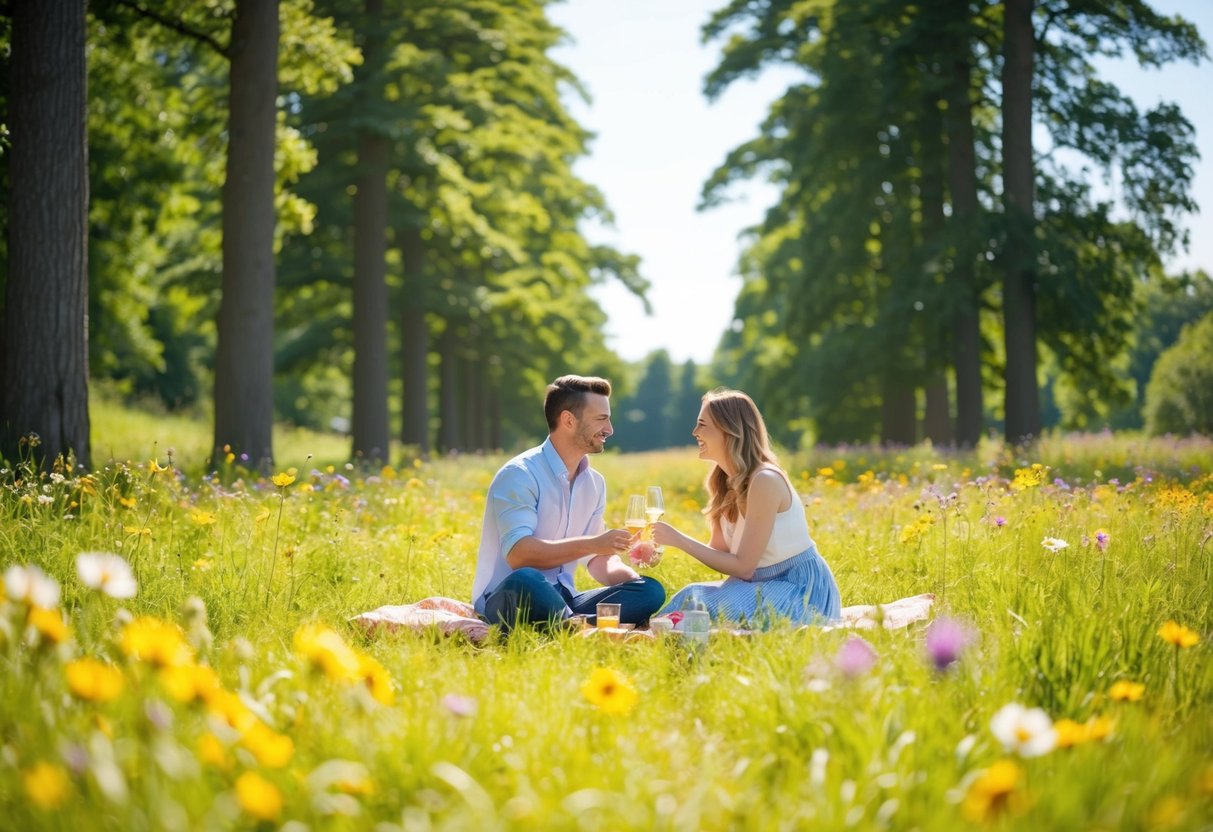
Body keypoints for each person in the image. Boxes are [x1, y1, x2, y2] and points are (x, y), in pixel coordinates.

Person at [472, 374, 666, 631]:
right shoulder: (520, 474)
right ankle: (579, 628)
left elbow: (598, 558)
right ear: (568, 420)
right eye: (601, 419)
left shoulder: (594, 483)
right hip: (511, 597)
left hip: (566, 599)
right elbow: (520, 555)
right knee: (528, 579)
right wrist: (594, 543)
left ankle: (570, 625)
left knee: (651, 591)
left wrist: (630, 581)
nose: (609, 429)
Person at [651, 388, 841, 625]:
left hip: (799, 590)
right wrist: (662, 548)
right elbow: (720, 553)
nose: (695, 432)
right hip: (759, 585)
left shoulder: (765, 480)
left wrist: (678, 539)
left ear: (729, 430)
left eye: (702, 425)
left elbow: (743, 567)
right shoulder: (722, 481)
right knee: (691, 600)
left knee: (698, 605)